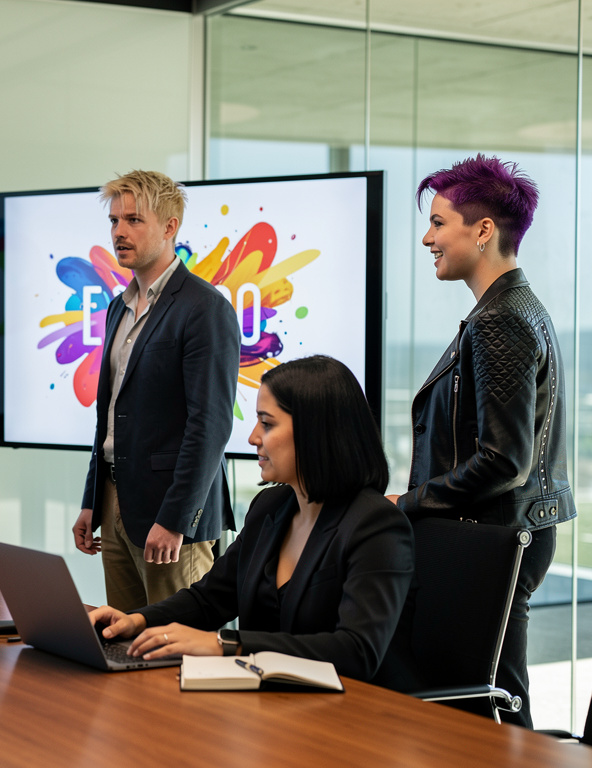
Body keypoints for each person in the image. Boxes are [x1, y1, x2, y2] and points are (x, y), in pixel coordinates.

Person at [386, 155, 576, 727]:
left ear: (484, 230)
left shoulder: (500, 320)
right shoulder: (513, 307)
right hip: (503, 531)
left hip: (493, 537)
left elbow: (503, 460)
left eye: (440, 223)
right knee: (484, 695)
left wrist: (408, 503)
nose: (428, 238)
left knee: (486, 701)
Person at [89, 356, 414, 681]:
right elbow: (209, 600)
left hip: (347, 715)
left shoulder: (377, 525)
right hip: (267, 704)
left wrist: (225, 645)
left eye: (267, 424)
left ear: (315, 431)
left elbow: (356, 651)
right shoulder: (270, 508)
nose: (253, 437)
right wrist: (138, 621)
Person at [71, 170, 241, 612]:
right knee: (123, 645)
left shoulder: (204, 308)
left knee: (176, 653)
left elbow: (211, 425)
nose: (119, 232)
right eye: (113, 221)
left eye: (133, 220)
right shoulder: (117, 308)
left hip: (171, 516)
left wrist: (176, 518)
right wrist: (93, 501)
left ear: (170, 227)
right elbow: (108, 416)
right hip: (114, 503)